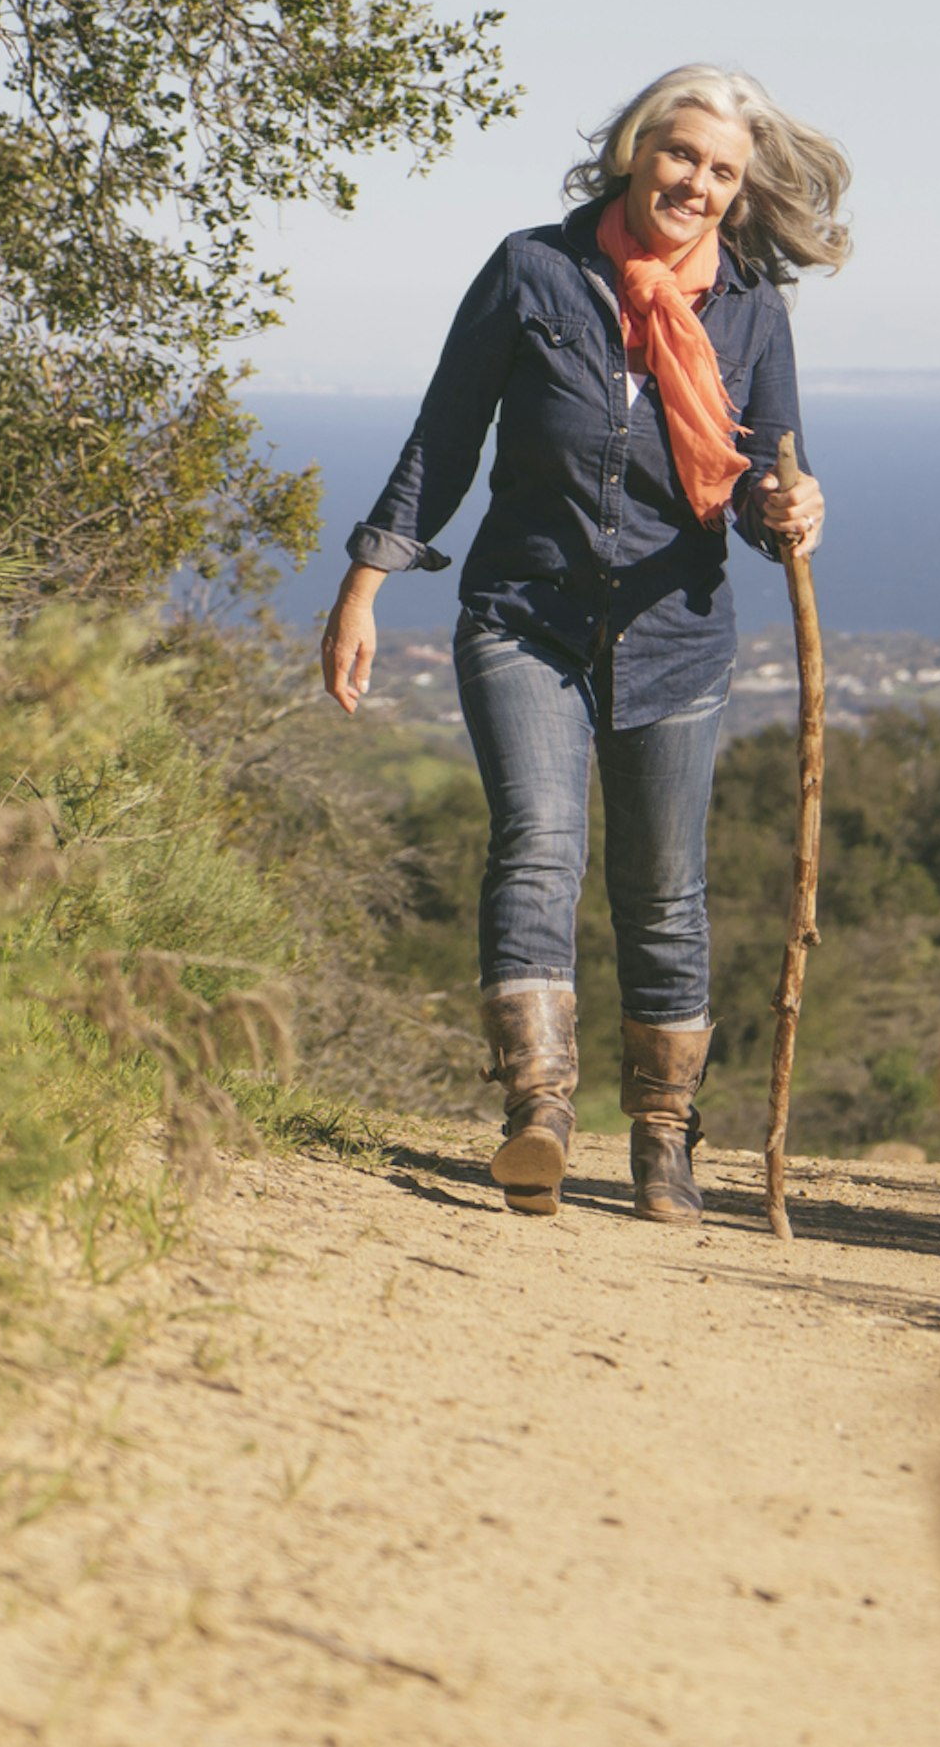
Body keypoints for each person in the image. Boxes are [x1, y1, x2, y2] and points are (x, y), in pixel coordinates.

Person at [324, 65, 847, 1224]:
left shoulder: (754, 309)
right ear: (633, 150)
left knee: (664, 893)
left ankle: (665, 1141)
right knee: (538, 847)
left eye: (721, 170)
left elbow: (766, 479)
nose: (697, 183)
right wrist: (366, 582)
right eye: (679, 155)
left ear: (741, 189)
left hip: (677, 637)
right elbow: (445, 436)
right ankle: (539, 1116)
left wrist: (790, 508)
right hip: (525, 616)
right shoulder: (533, 270)